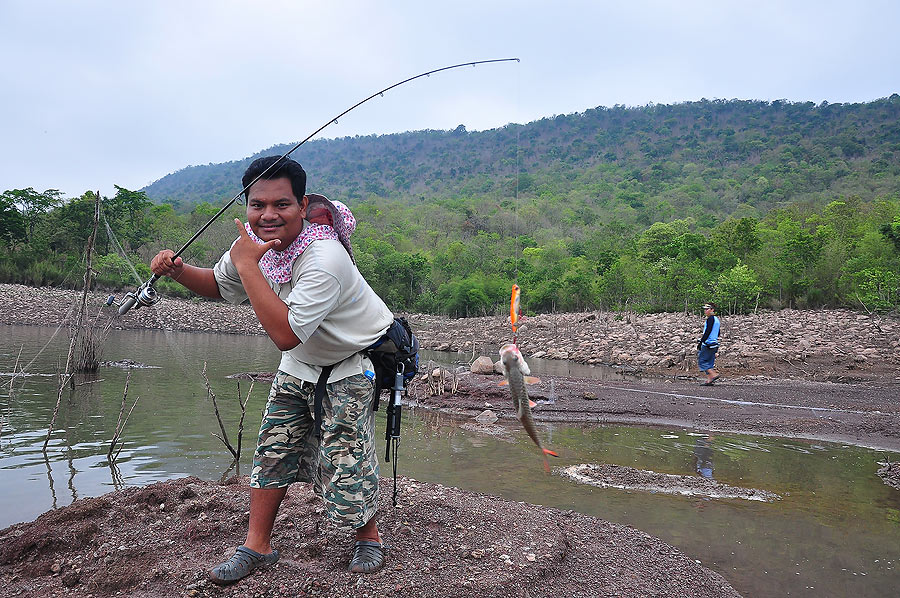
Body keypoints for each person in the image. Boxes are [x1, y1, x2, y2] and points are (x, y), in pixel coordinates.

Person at [150, 155, 394, 583]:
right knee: (271, 453)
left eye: (281, 204)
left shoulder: (325, 259)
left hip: (350, 366)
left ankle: (368, 538)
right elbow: (220, 285)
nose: (267, 215)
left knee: (345, 458)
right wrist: (179, 270)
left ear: (302, 206)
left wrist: (248, 264)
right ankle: (256, 546)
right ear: (245, 205)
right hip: (299, 366)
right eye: (257, 204)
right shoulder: (253, 248)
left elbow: (284, 333)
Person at [696, 302, 721, 385]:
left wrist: (701, 342)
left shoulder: (710, 319)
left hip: (708, 344)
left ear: (712, 310)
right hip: (714, 343)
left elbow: (707, 331)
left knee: (702, 361)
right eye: (705, 309)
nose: (705, 311)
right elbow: (718, 332)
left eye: (707, 309)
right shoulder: (717, 320)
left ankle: (713, 374)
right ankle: (710, 379)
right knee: (709, 361)